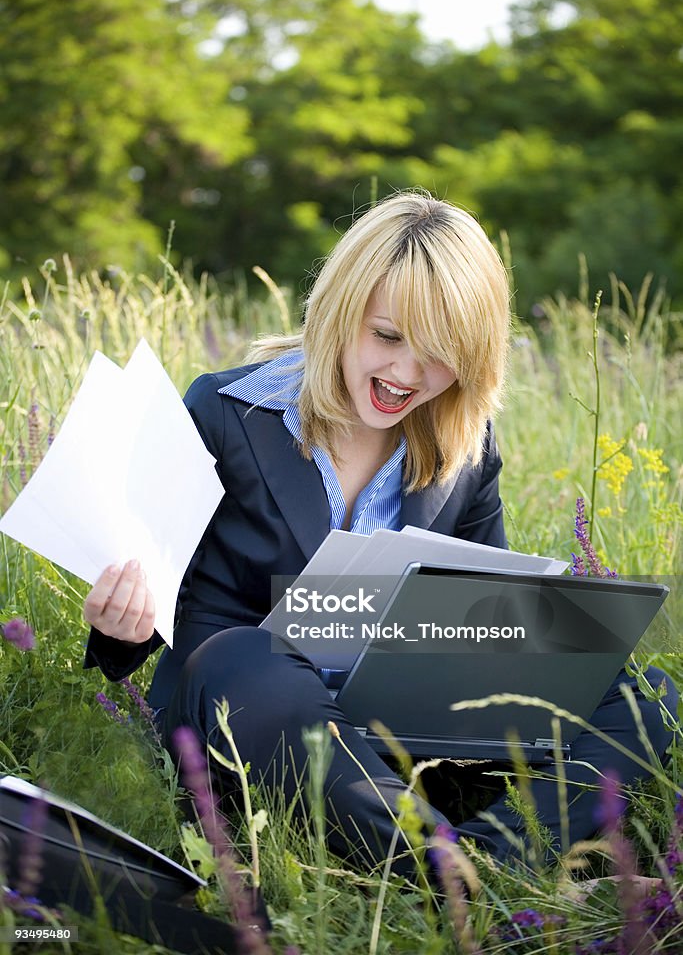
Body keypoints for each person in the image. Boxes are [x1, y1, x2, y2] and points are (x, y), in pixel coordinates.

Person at [83, 191, 676, 878]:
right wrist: (120, 625)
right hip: (250, 720)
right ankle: (445, 871)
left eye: (439, 354)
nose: (404, 375)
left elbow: (487, 623)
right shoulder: (221, 412)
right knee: (240, 656)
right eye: (387, 337)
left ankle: (492, 864)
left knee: (642, 693)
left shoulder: (467, 448)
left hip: (401, 734)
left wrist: (544, 645)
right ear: (341, 310)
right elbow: (145, 618)